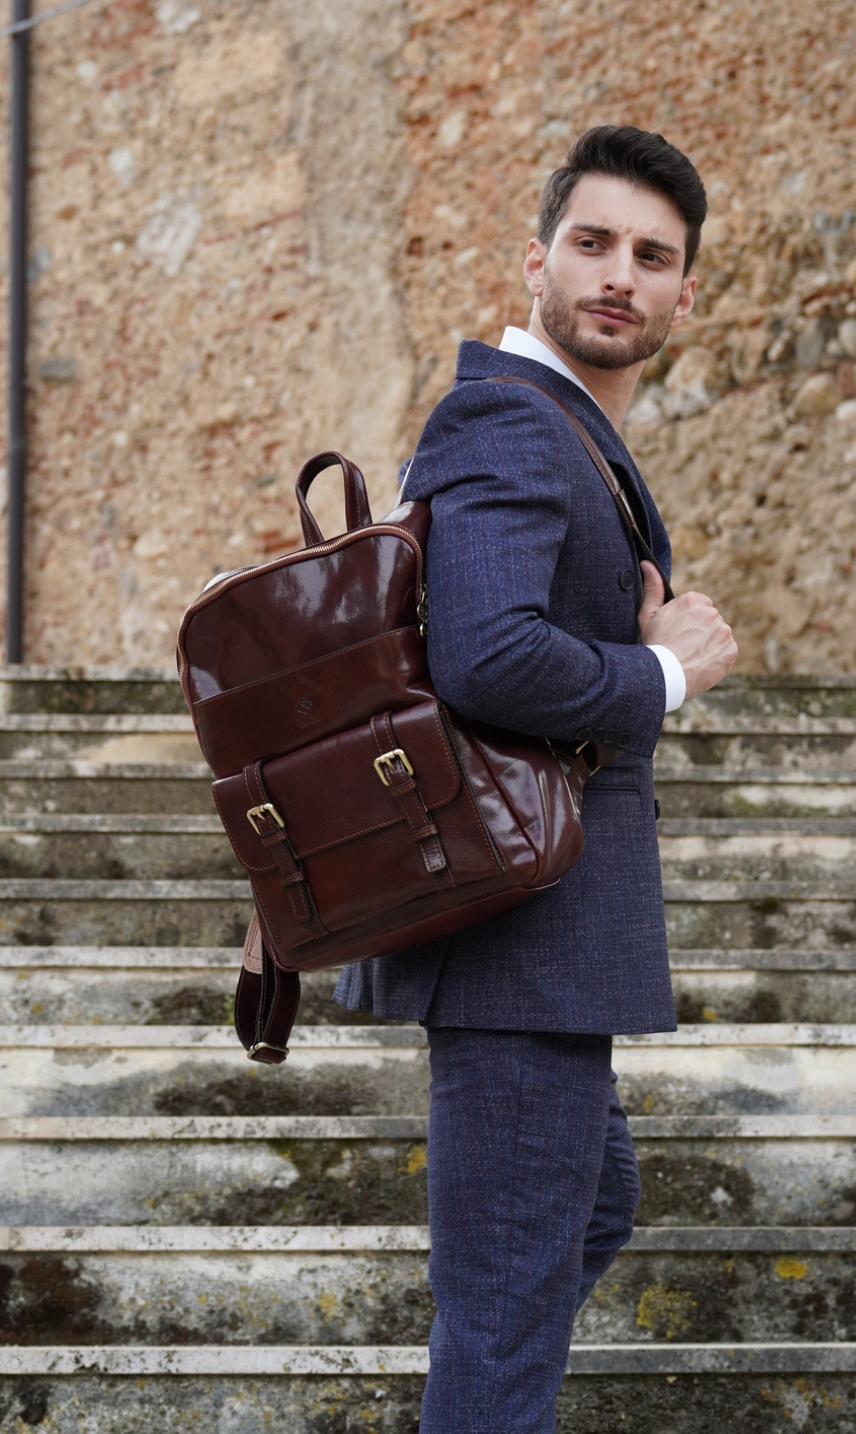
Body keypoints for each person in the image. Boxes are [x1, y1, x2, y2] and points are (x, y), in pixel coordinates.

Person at [334, 125, 737, 1433]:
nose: (620, 274)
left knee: (586, 1214)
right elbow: (489, 652)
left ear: (684, 296)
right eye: (593, 242)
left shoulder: (569, 433)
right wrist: (665, 671)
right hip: (520, 939)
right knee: (504, 1311)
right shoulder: (509, 417)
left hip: (544, 943)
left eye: (653, 257)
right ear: (536, 260)